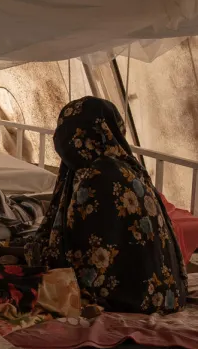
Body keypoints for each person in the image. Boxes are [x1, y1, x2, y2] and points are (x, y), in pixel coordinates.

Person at [32, 96, 185, 314]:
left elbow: (75, 261)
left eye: (64, 131)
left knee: (9, 283)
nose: (57, 139)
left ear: (82, 134)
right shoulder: (129, 166)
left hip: (131, 298)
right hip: (166, 292)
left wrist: (25, 254)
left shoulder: (98, 177)